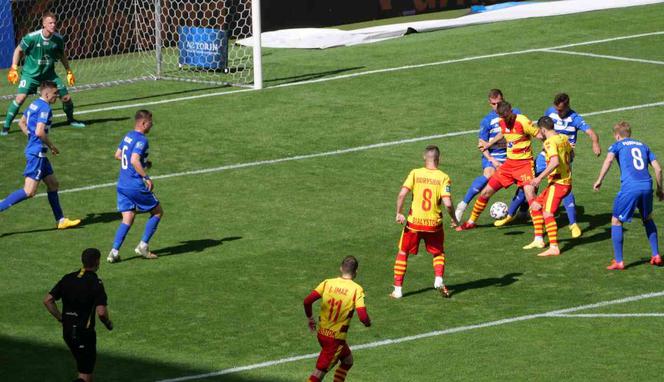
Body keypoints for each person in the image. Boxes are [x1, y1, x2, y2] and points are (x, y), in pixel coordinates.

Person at [495, 93, 600, 238]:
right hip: (546, 154)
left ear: (567, 106)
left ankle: (573, 223)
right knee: (528, 182)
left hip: (562, 157)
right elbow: (541, 129)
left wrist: (595, 143)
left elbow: (591, 132)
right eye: (556, 109)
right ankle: (513, 213)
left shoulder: (575, 118)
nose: (558, 112)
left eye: (561, 110)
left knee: (564, 187)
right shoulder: (550, 112)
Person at [459, 102, 543, 249]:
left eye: (506, 116)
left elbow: (540, 135)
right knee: (486, 192)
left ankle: (539, 237)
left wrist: (549, 148)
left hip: (524, 165)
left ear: (511, 111)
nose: (504, 119)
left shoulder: (523, 121)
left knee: (531, 197)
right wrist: (489, 144)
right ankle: (471, 222)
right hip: (509, 165)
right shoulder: (502, 122)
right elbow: (503, 133)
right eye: (502, 117)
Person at [0, 81, 80, 229]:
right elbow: (39, 131)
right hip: (37, 153)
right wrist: (52, 146)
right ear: (47, 94)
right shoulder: (44, 108)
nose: (57, 96)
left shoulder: (34, 104)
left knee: (53, 184)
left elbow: (21, 123)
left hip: (37, 151)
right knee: (29, 191)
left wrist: (31, 138)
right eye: (55, 93)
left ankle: (61, 220)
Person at [392, 145, 461, 299]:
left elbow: (402, 194)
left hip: (414, 223)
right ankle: (438, 279)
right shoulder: (444, 177)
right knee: (438, 252)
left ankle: (398, 290)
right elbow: (448, 204)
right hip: (434, 225)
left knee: (403, 252)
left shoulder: (415, 173)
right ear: (439, 159)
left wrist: (399, 213)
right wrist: (454, 219)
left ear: (424, 157)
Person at [593, 121, 663, 270]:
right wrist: (659, 189)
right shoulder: (643, 145)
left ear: (617, 136)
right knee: (648, 218)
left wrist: (599, 180)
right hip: (647, 185)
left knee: (616, 221)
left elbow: (609, 160)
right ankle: (656, 255)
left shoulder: (617, 145)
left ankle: (619, 261)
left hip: (630, 188)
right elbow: (658, 169)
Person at [3, 12, 84, 136]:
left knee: (66, 97)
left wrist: (68, 71)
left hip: (49, 75)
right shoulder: (32, 37)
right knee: (20, 98)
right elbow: (18, 50)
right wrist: (14, 68)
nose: (53, 25)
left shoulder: (58, 39)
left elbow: (62, 55)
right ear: (44, 24)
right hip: (30, 75)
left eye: (54, 23)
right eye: (50, 23)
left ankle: (71, 119)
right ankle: (6, 127)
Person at [43, 248, 113, 382]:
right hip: (84, 334)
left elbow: (48, 300)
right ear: (97, 261)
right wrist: (108, 324)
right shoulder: (95, 282)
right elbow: (102, 313)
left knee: (84, 370)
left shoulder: (68, 278)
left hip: (68, 332)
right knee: (85, 375)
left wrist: (61, 318)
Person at [456, 89, 520, 221]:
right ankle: (462, 206)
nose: (497, 106)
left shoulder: (515, 113)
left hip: (513, 156)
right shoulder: (487, 121)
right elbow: (482, 145)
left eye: (499, 103)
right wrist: (492, 159)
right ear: (489, 103)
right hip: (494, 157)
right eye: (493, 104)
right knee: (489, 175)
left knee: (527, 182)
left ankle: (523, 211)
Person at [303, 256, 371, 382]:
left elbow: (307, 301)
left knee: (347, 360)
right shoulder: (356, 289)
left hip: (322, 333)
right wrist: (368, 323)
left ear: (341, 268)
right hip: (335, 339)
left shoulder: (327, 283)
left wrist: (310, 318)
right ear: (356, 272)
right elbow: (363, 316)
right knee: (318, 373)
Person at [107, 110, 161, 263]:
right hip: (134, 185)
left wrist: (143, 164)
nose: (152, 124)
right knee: (157, 212)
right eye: (150, 122)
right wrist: (146, 177)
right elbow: (134, 160)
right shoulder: (142, 140)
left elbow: (117, 155)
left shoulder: (128, 135)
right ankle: (143, 246)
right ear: (143, 123)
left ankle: (114, 252)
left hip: (122, 185)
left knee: (127, 218)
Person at [528, 116, 574, 257]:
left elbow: (554, 162)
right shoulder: (564, 137)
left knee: (548, 213)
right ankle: (539, 239)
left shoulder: (549, 142)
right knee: (535, 206)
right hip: (563, 181)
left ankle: (554, 247)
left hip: (559, 184)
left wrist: (539, 178)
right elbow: (572, 154)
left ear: (542, 129)